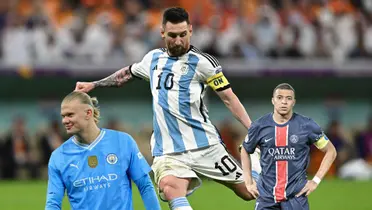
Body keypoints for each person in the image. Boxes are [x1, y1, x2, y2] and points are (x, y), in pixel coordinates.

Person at [75, 7, 261, 210]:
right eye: (172, 36)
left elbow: (229, 98)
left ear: (190, 30)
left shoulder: (203, 63)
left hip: (206, 146)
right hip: (169, 151)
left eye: (183, 35)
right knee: (169, 186)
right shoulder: (152, 59)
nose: (179, 41)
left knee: (249, 192)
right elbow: (127, 74)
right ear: (162, 32)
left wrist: (253, 130)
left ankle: (256, 161)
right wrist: (95, 84)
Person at [45, 91, 161, 210]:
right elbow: (53, 203)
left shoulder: (122, 141)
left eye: (70, 115)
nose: (64, 120)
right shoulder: (58, 156)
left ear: (88, 113)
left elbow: (145, 186)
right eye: (63, 116)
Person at [241, 83, 337, 210]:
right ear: (273, 100)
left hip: (296, 197)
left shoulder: (306, 125)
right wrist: (248, 183)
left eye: (288, 98)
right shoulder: (259, 126)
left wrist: (316, 181)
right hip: (266, 198)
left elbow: (331, 151)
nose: (284, 102)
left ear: (294, 102)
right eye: (279, 97)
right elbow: (245, 149)